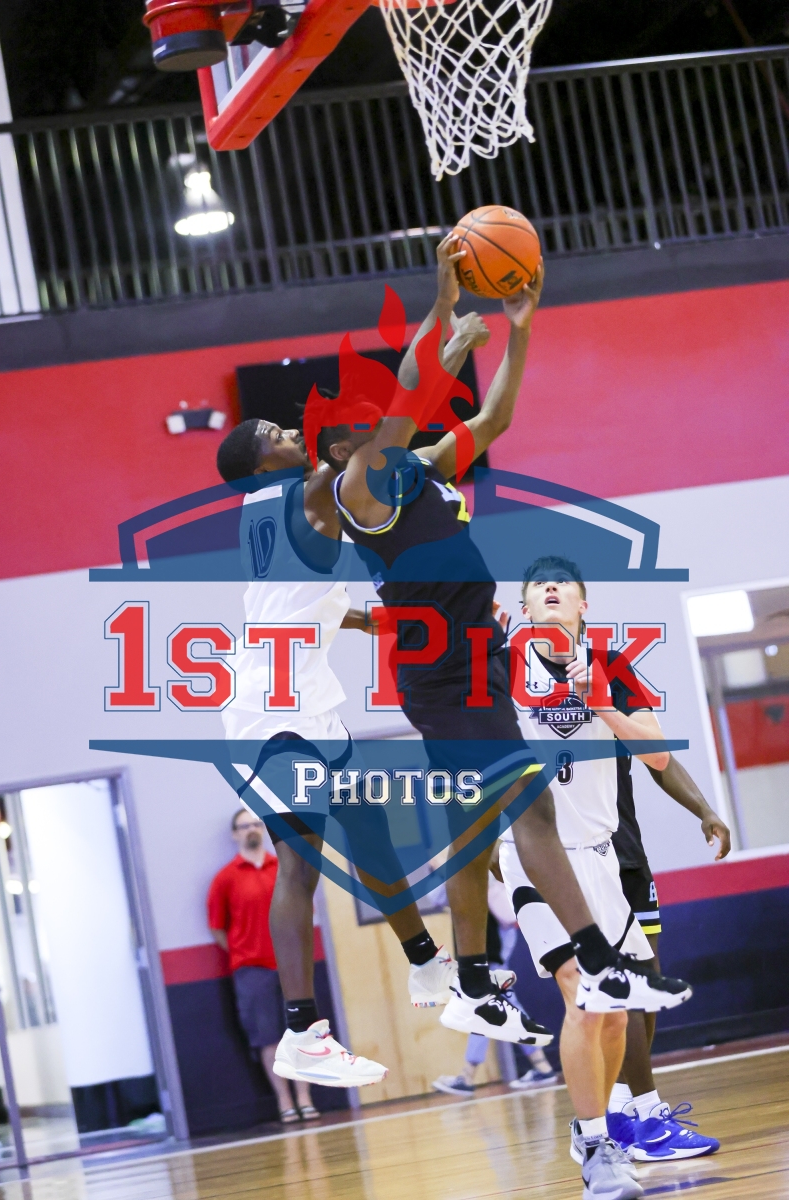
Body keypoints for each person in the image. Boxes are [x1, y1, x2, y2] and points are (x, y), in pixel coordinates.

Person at [326, 234, 692, 1057]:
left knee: (474, 825)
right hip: (441, 673)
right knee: (531, 806)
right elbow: (410, 392)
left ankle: (470, 981)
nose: (376, 424)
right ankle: (601, 963)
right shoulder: (361, 494)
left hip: (476, 658)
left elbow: (495, 419)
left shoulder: (421, 470)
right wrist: (441, 304)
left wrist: (521, 327)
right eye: (360, 426)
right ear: (344, 454)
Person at [214, 305, 505, 1091]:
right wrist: (450, 342)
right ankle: (302, 1032)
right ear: (262, 462)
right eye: (276, 432)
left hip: (298, 698)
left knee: (370, 833)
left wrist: (367, 618)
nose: (288, 432)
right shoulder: (313, 491)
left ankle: (425, 962)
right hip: (272, 710)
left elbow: (296, 603)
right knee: (300, 863)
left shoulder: (268, 513)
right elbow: (400, 417)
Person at [495, 556, 687, 1198]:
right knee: (582, 994)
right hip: (537, 856)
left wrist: (601, 704)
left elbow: (657, 754)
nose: (550, 588)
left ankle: (594, 1128)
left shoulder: (612, 665)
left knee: (615, 1013)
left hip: (602, 857)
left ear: (583, 605)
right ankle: (600, 1149)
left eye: (564, 584)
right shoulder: (499, 664)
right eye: (537, 585)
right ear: (524, 609)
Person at [606, 755, 729, 1160]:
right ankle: (650, 1121)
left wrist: (704, 809)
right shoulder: (534, 719)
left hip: (629, 856)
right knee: (622, 988)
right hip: (584, 860)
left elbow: (659, 758)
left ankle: (620, 1111)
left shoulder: (618, 713)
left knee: (649, 983)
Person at [207, 809, 318, 1124]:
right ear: (235, 834)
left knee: (302, 1033)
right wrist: (246, 952)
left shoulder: (286, 870)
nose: (251, 829)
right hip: (252, 970)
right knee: (268, 1038)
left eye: (257, 824)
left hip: (292, 966)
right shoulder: (225, 879)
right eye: (244, 826)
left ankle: (305, 1098)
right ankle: (285, 1102)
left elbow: (304, 910)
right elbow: (217, 928)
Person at [432, 871, 556, 1097]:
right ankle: (542, 1067)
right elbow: (437, 898)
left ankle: (468, 1076)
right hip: (479, 954)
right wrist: (442, 869)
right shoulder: (458, 876)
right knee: (496, 1008)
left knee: (484, 1009)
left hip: (492, 954)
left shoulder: (484, 872)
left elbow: (505, 914)